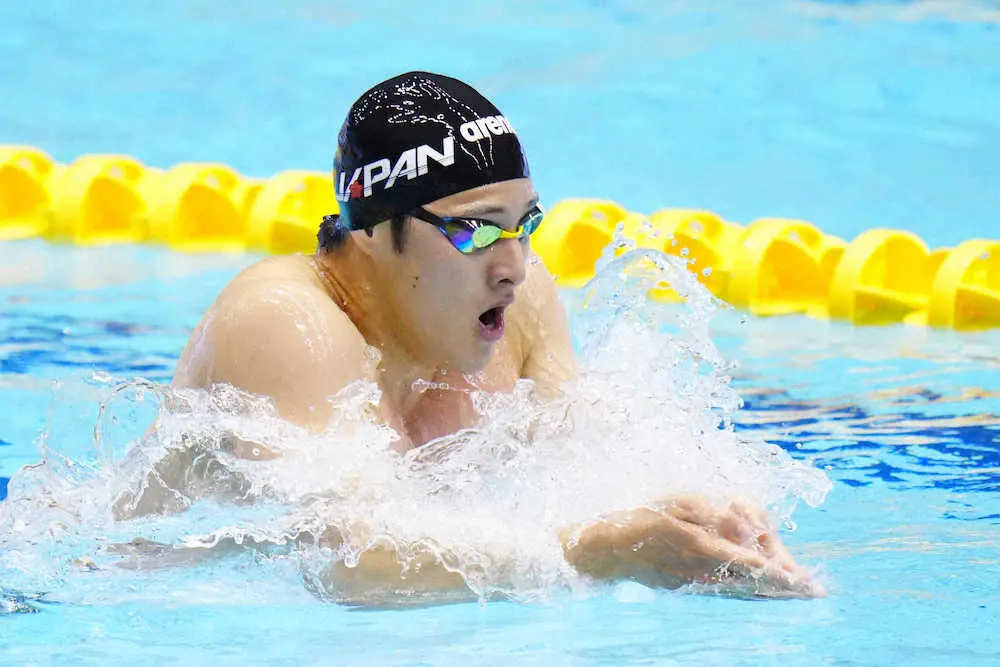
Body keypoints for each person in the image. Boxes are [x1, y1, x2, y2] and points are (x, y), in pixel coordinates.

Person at [140, 72, 822, 601]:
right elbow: (350, 564)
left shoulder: (517, 304)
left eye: (525, 223)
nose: (513, 265)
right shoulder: (286, 323)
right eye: (476, 230)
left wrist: (696, 513)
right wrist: (600, 549)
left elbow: (592, 458)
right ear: (375, 230)